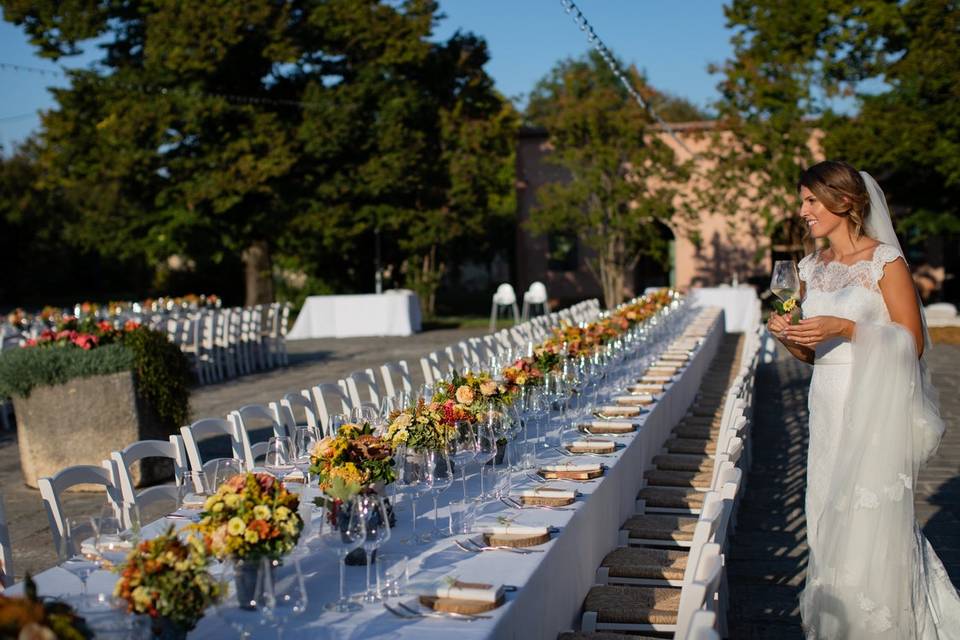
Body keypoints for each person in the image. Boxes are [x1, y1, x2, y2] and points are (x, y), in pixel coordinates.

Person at [767, 160, 960, 638]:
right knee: (826, 515)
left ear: (844, 202)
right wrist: (788, 336)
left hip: (873, 406)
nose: (803, 210)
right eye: (803, 200)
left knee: (870, 520)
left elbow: (911, 342)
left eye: (811, 200)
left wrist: (846, 328)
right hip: (827, 405)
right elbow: (812, 357)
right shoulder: (808, 268)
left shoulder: (885, 262)